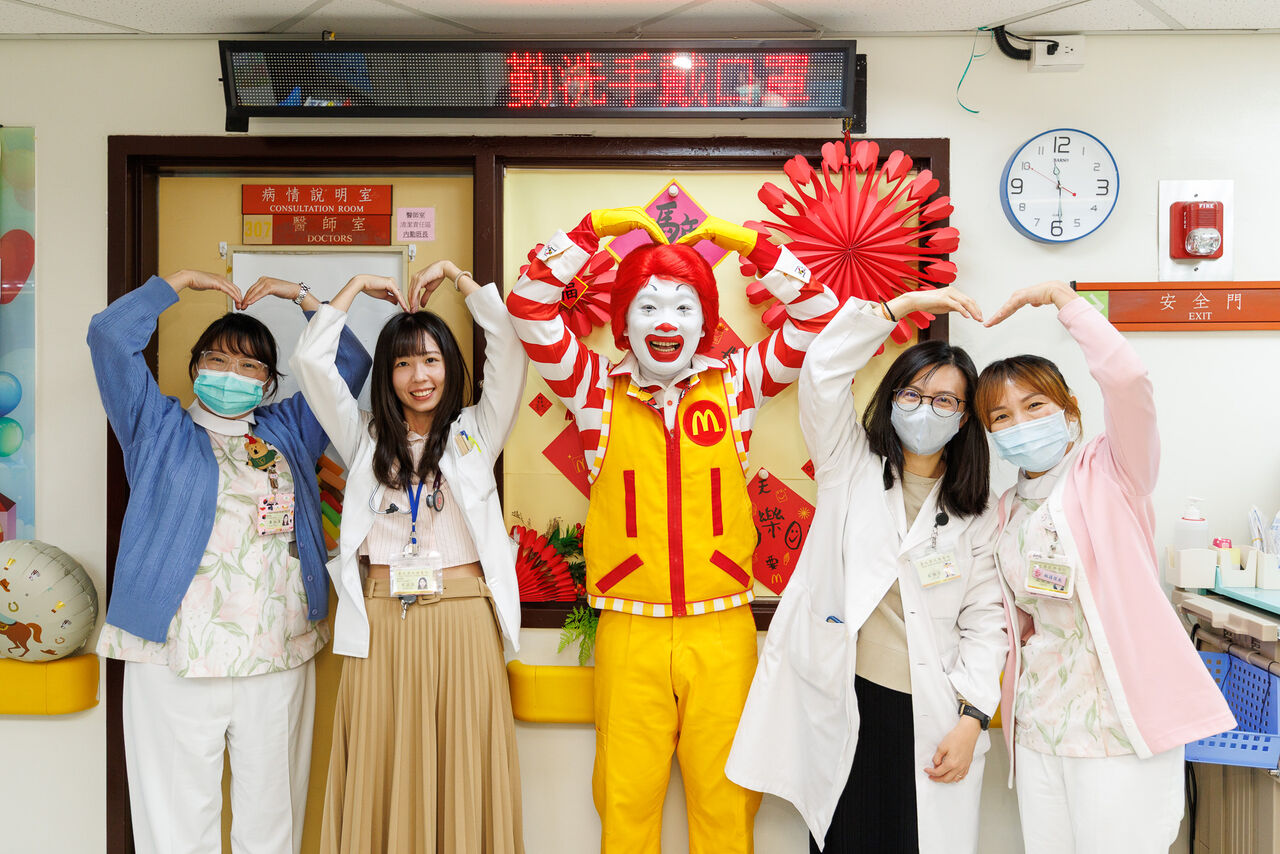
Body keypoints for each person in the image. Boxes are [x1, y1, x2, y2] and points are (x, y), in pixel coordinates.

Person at [506, 207, 838, 854]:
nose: (665, 323)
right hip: (629, 624)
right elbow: (529, 307)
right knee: (626, 800)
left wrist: (749, 245)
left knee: (727, 800)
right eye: (648, 306)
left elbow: (820, 316)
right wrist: (590, 230)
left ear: (707, 323)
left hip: (723, 626)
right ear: (623, 321)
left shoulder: (738, 385)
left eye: (684, 308)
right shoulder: (593, 389)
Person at [90, 270, 370, 854]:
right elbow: (110, 337)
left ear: (270, 383)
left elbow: (348, 363)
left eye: (250, 367)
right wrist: (177, 283)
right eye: (217, 360)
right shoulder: (156, 426)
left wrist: (301, 295)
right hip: (173, 653)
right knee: (175, 819)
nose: (232, 375)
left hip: (276, 650)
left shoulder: (290, 429)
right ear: (194, 368)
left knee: (272, 818)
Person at [727, 288, 1007, 854]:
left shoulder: (978, 510)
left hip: (928, 706)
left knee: (914, 839)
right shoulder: (847, 463)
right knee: (843, 839)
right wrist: (898, 308)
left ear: (965, 417)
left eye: (946, 401)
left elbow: (986, 623)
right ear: (892, 397)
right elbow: (822, 375)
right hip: (847, 693)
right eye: (913, 392)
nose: (926, 409)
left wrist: (973, 717)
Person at [976, 280, 1235, 854]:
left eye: (1034, 405)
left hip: (1119, 724)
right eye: (1001, 416)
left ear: (1069, 410)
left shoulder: (1115, 470)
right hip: (1041, 725)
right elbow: (1015, 624)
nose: (1019, 423)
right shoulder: (1007, 511)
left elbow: (1129, 380)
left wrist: (1063, 302)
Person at [290, 262, 527, 854]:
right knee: (380, 761)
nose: (418, 376)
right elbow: (312, 366)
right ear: (387, 374)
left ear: (449, 366)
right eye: (401, 362)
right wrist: (352, 291)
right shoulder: (363, 437)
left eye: (430, 359)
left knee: (463, 762)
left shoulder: (476, 430)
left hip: (464, 617)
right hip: (383, 621)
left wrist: (458, 278)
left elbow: (511, 350)